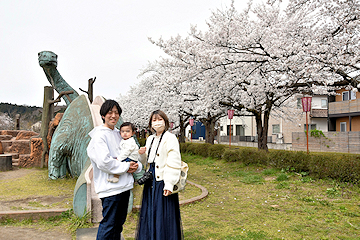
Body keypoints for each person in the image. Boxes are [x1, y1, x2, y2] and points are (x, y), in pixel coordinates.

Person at [87, 99, 142, 240]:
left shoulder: (121, 134)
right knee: (109, 224)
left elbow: (133, 154)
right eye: (110, 112)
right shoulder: (99, 136)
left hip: (124, 187)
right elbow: (104, 162)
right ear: (103, 115)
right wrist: (126, 167)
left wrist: (136, 166)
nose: (113, 115)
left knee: (118, 225)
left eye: (116, 113)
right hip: (110, 188)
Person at [136, 110, 183, 240]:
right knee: (150, 212)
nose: (157, 123)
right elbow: (146, 161)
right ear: (151, 123)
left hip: (162, 181)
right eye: (154, 120)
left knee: (163, 214)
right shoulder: (150, 139)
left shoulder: (170, 138)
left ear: (165, 122)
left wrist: (169, 184)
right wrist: (141, 154)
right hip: (151, 181)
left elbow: (173, 161)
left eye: (160, 119)